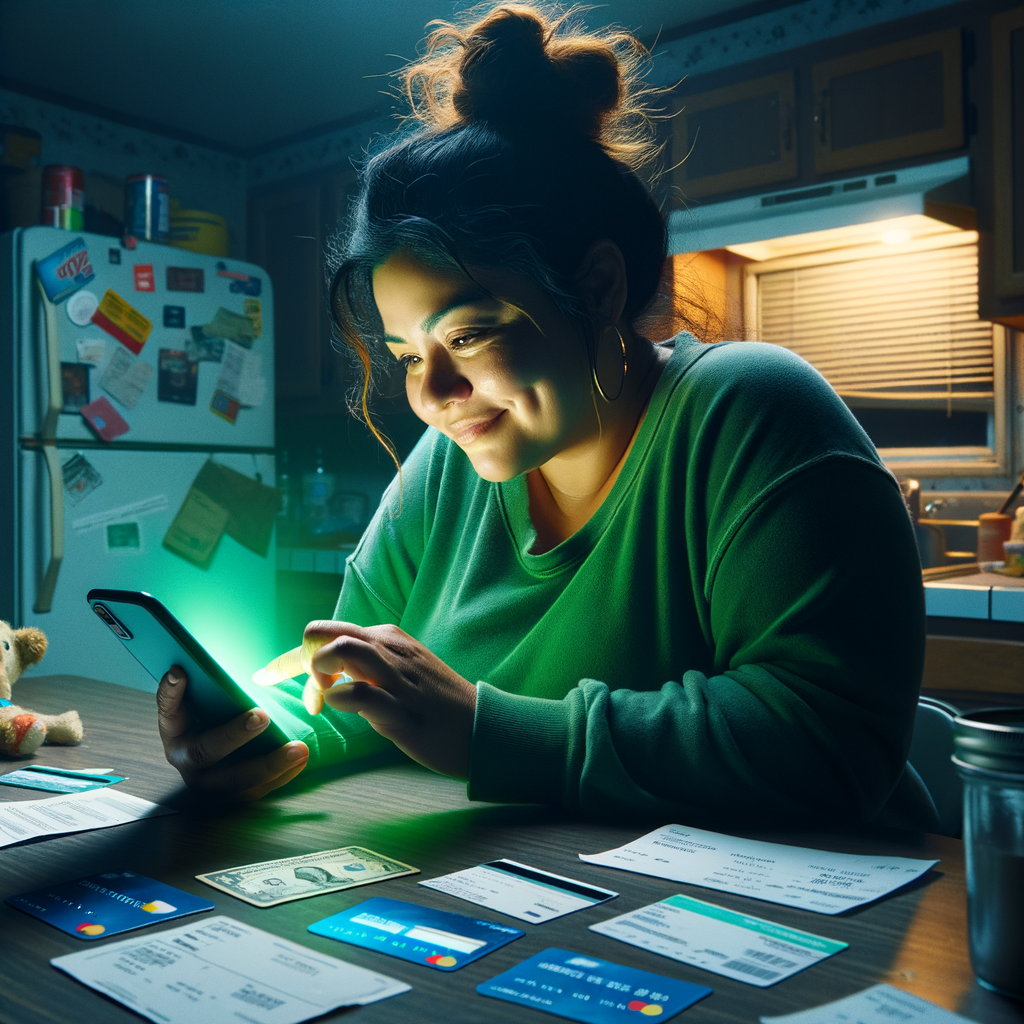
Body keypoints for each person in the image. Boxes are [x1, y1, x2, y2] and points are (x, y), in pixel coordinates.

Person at [157, 4, 935, 828]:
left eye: (469, 333)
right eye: (409, 356)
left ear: (596, 288)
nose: (434, 394)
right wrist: (253, 726)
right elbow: (348, 673)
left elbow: (829, 741)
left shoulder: (748, 410)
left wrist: (485, 732)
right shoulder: (450, 460)